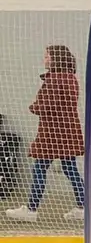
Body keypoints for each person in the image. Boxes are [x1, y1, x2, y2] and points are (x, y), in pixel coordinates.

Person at [5, 44, 86, 222]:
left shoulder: (55, 79)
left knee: (39, 168)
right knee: (70, 169)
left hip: (53, 133)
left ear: (56, 58)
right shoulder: (71, 78)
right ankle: (83, 206)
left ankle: (31, 209)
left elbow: (48, 105)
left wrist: (33, 107)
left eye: (47, 56)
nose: (45, 59)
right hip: (68, 131)